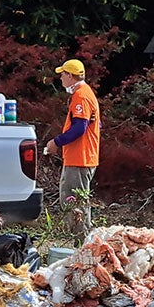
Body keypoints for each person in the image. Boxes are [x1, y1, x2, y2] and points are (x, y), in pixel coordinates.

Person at [45, 59, 100, 237]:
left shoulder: (81, 96)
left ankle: (81, 243)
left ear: (70, 76)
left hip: (80, 158)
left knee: (73, 202)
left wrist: (56, 142)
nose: (61, 78)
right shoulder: (87, 93)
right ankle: (84, 242)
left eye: (62, 75)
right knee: (77, 201)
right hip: (83, 157)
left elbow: (80, 127)